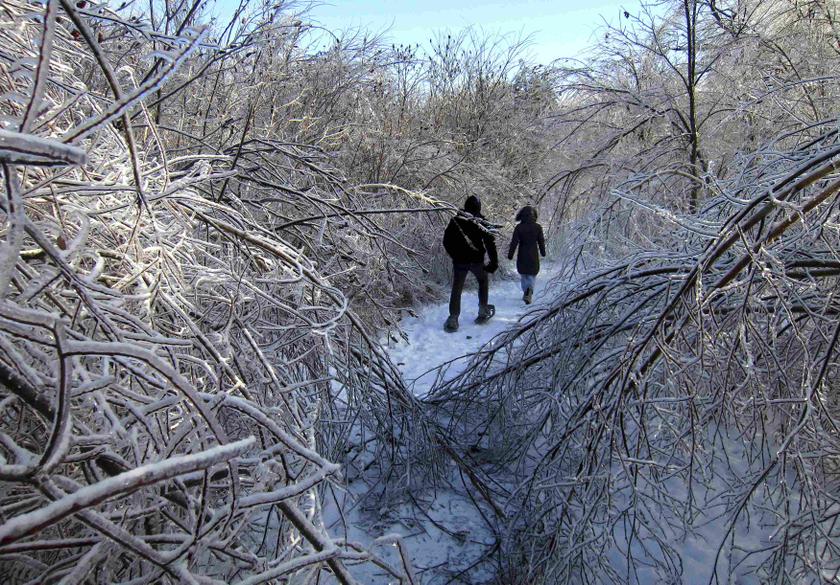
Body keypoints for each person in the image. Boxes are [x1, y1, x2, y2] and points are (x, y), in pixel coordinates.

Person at [442, 195, 499, 332]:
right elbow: (490, 243)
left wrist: (455, 255)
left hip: (460, 262)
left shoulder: (456, 220)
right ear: (479, 207)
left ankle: (453, 318)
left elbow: (446, 241)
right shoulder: (481, 222)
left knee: (457, 289)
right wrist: (494, 262)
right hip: (477, 261)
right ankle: (482, 310)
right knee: (483, 282)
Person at [507, 205, 546, 304]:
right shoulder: (538, 227)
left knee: (524, 274)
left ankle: (526, 291)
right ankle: (529, 291)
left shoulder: (519, 227)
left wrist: (510, 254)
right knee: (532, 275)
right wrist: (543, 252)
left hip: (522, 253)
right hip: (533, 254)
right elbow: (541, 241)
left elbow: (514, 242)